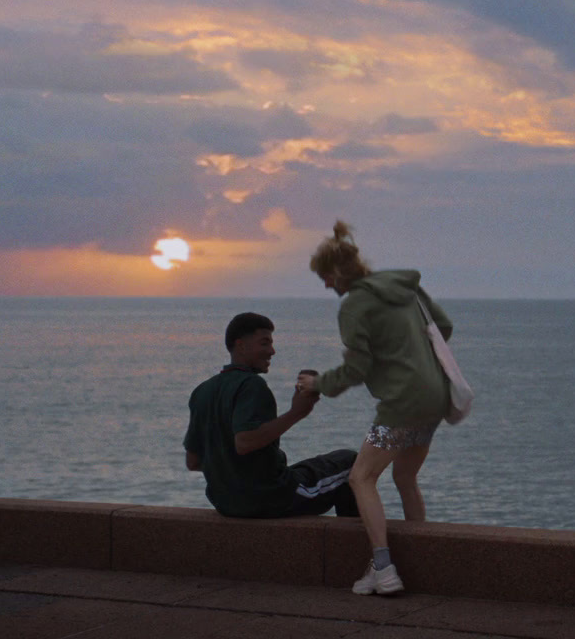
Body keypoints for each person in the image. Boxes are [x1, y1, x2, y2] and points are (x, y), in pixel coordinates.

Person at [298, 220, 453, 596]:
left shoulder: (354, 306)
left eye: (325, 277)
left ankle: (384, 569)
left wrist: (317, 384)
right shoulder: (407, 288)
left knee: (360, 478)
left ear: (337, 272)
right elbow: (444, 328)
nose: (325, 285)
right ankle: (421, 561)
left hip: (401, 403)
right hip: (434, 398)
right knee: (404, 478)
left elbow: (356, 368)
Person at [184, 312, 359, 519]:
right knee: (353, 463)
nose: (272, 351)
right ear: (241, 345)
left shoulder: (202, 391)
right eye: (264, 343)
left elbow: (193, 462)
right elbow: (245, 442)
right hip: (272, 498)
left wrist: (229, 469)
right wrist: (297, 412)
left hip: (225, 503)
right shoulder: (251, 385)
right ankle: (357, 548)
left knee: (311, 469)